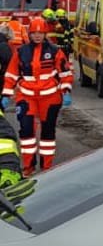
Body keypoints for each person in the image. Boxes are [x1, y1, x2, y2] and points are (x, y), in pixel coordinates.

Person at [1, 14, 73, 173]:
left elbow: (65, 73)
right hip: (26, 97)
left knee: (48, 133)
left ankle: (47, 168)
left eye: (40, 33)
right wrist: (6, 95)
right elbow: (11, 74)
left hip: (50, 97)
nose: (37, 36)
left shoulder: (55, 51)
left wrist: (66, 90)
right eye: (34, 33)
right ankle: (29, 167)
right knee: (26, 131)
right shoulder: (21, 52)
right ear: (30, 33)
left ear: (45, 33)